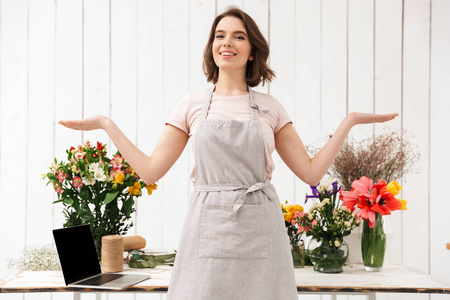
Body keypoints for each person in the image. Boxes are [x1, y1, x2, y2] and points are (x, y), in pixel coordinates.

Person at [59, 7, 398, 300]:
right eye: (220, 35)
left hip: (261, 226)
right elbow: (150, 171)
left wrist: (348, 122)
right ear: (212, 47)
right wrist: (107, 124)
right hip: (206, 225)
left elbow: (310, 174)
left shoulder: (270, 108)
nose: (227, 42)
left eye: (238, 36)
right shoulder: (192, 105)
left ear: (252, 51)